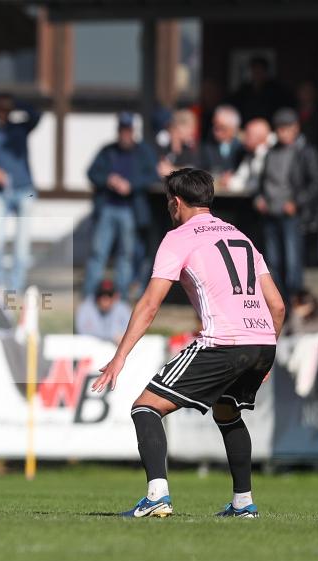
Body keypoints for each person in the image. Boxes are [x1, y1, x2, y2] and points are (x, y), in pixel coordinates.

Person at [92, 168, 286, 519]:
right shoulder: (241, 237)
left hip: (224, 340)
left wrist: (120, 357)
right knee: (227, 412)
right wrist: (266, 353)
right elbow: (278, 306)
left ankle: (156, 497)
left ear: (176, 202)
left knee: (146, 408)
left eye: (169, 202)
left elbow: (150, 305)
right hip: (263, 340)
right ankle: (243, 504)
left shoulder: (179, 237)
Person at [83, 112, 158, 300]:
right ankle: (90, 295)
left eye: (128, 130)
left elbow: (152, 176)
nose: (125, 134)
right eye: (122, 130)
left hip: (130, 210)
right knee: (99, 253)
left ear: (133, 132)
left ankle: (121, 297)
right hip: (108, 207)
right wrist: (108, 179)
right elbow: (92, 173)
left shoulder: (143, 152)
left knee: (126, 255)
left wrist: (130, 185)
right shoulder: (108, 150)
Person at [255, 108, 318, 300]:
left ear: (295, 128)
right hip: (270, 212)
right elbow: (263, 180)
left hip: (291, 215)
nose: (283, 132)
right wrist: (260, 198)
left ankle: (294, 304)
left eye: (287, 128)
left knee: (293, 262)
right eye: (279, 128)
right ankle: (278, 302)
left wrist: (297, 203)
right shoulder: (270, 153)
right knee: (273, 262)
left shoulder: (305, 152)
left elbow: (316, 183)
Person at [0, 93, 41, 293]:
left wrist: (17, 102)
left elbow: (37, 116)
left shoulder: (20, 128)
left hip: (24, 190)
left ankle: (16, 287)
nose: (3, 113)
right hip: (0, 193)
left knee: (21, 245)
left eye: (6, 109)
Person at [75, 279, 131, 344]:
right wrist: (112, 337)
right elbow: (82, 333)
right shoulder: (85, 308)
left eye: (110, 295)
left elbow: (130, 332)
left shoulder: (123, 308)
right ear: (96, 296)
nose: (105, 298)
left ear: (115, 296)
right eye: (101, 294)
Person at [226, 118, 273, 195]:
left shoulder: (271, 154)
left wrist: (231, 183)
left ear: (260, 137)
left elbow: (254, 185)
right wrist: (230, 180)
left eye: (248, 134)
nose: (244, 138)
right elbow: (242, 176)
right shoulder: (250, 153)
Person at [199, 105, 244, 180]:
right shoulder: (206, 147)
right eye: (214, 126)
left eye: (222, 128)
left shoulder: (242, 148)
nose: (215, 131)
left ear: (233, 129)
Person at [156, 109, 200, 178]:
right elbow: (161, 170)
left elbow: (192, 171)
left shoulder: (188, 148)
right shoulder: (161, 144)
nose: (192, 132)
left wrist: (173, 170)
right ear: (178, 127)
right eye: (189, 127)